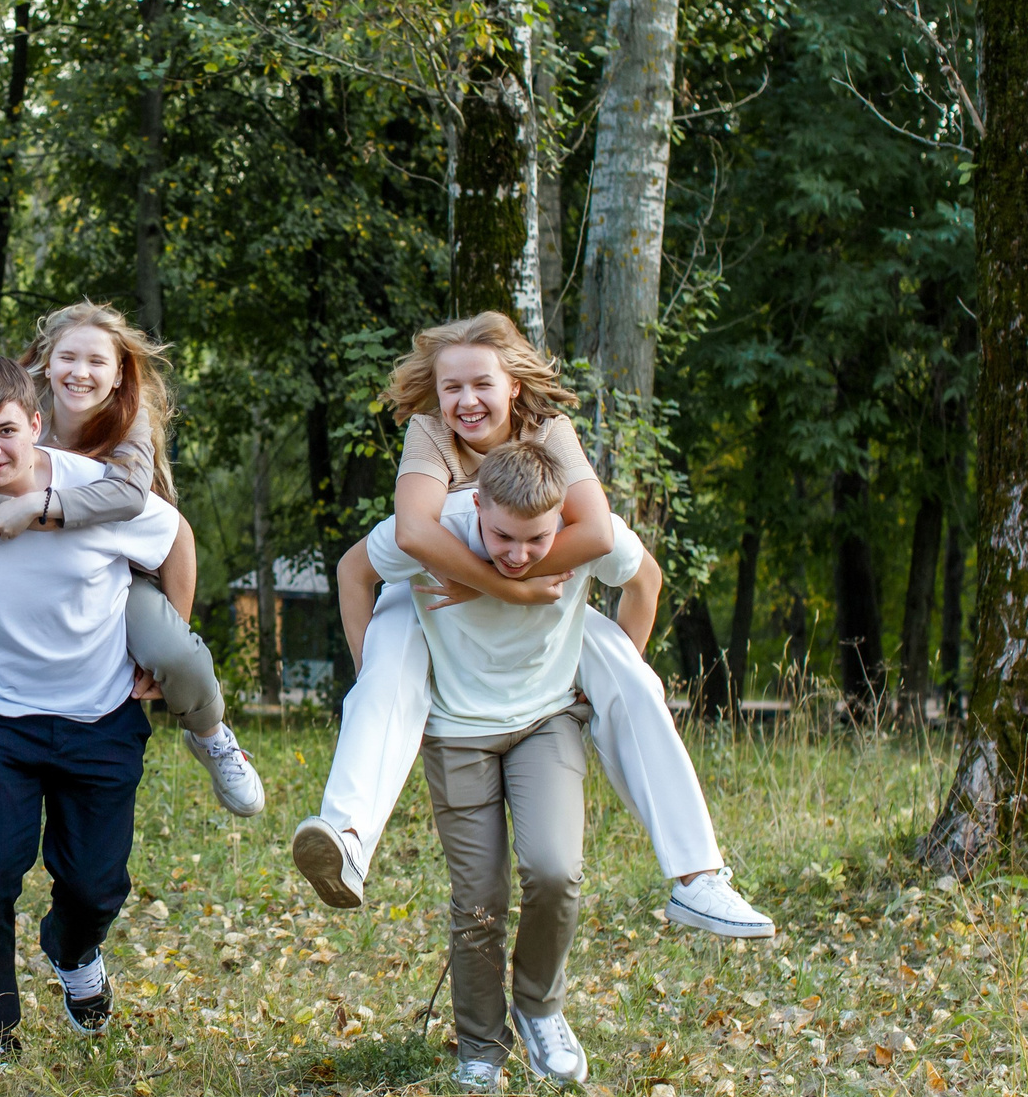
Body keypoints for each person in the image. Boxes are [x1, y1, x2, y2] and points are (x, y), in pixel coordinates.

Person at [289, 312, 771, 939]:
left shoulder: (551, 432)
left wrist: (582, 674)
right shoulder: (430, 433)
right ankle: (349, 838)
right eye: (451, 387)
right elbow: (412, 534)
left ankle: (697, 877)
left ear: (513, 383)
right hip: (435, 598)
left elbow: (598, 534)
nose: (466, 401)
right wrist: (487, 596)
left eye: (482, 384)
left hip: (551, 600)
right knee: (387, 664)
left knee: (632, 676)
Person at [0, 304, 262, 914]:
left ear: (119, 374)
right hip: (1, 595)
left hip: (120, 581)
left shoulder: (126, 425)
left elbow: (153, 517)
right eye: (68, 358)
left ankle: (213, 736)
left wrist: (38, 510)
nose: (80, 373)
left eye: (96, 361)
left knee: (171, 650)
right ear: (42, 365)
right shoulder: (1, 417)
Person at [0, 356, 184, 1066]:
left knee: (96, 885)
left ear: (36, 424)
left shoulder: (97, 490)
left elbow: (175, 539)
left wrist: (172, 644)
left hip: (100, 710)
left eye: (6, 429)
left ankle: (72, 949)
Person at [366, 440, 650, 1089]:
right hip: (457, 731)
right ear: (477, 506)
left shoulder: (588, 532)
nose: (519, 555)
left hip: (546, 722)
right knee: (480, 900)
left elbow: (645, 580)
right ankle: (480, 1046)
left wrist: (615, 678)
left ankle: (539, 1005)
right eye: (502, 536)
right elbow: (355, 571)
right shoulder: (440, 526)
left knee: (555, 869)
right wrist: (374, 682)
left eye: (536, 540)